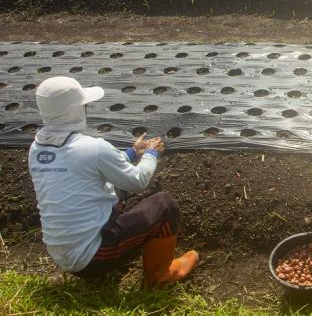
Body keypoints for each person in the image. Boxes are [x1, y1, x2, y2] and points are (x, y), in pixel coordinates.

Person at [28, 76, 198, 286]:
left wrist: (132, 152)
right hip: (91, 258)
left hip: (62, 254)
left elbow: (91, 170)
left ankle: (111, 257)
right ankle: (160, 275)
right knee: (165, 206)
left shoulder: (37, 149)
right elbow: (138, 180)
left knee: (116, 191)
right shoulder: (93, 147)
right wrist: (151, 154)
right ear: (76, 110)